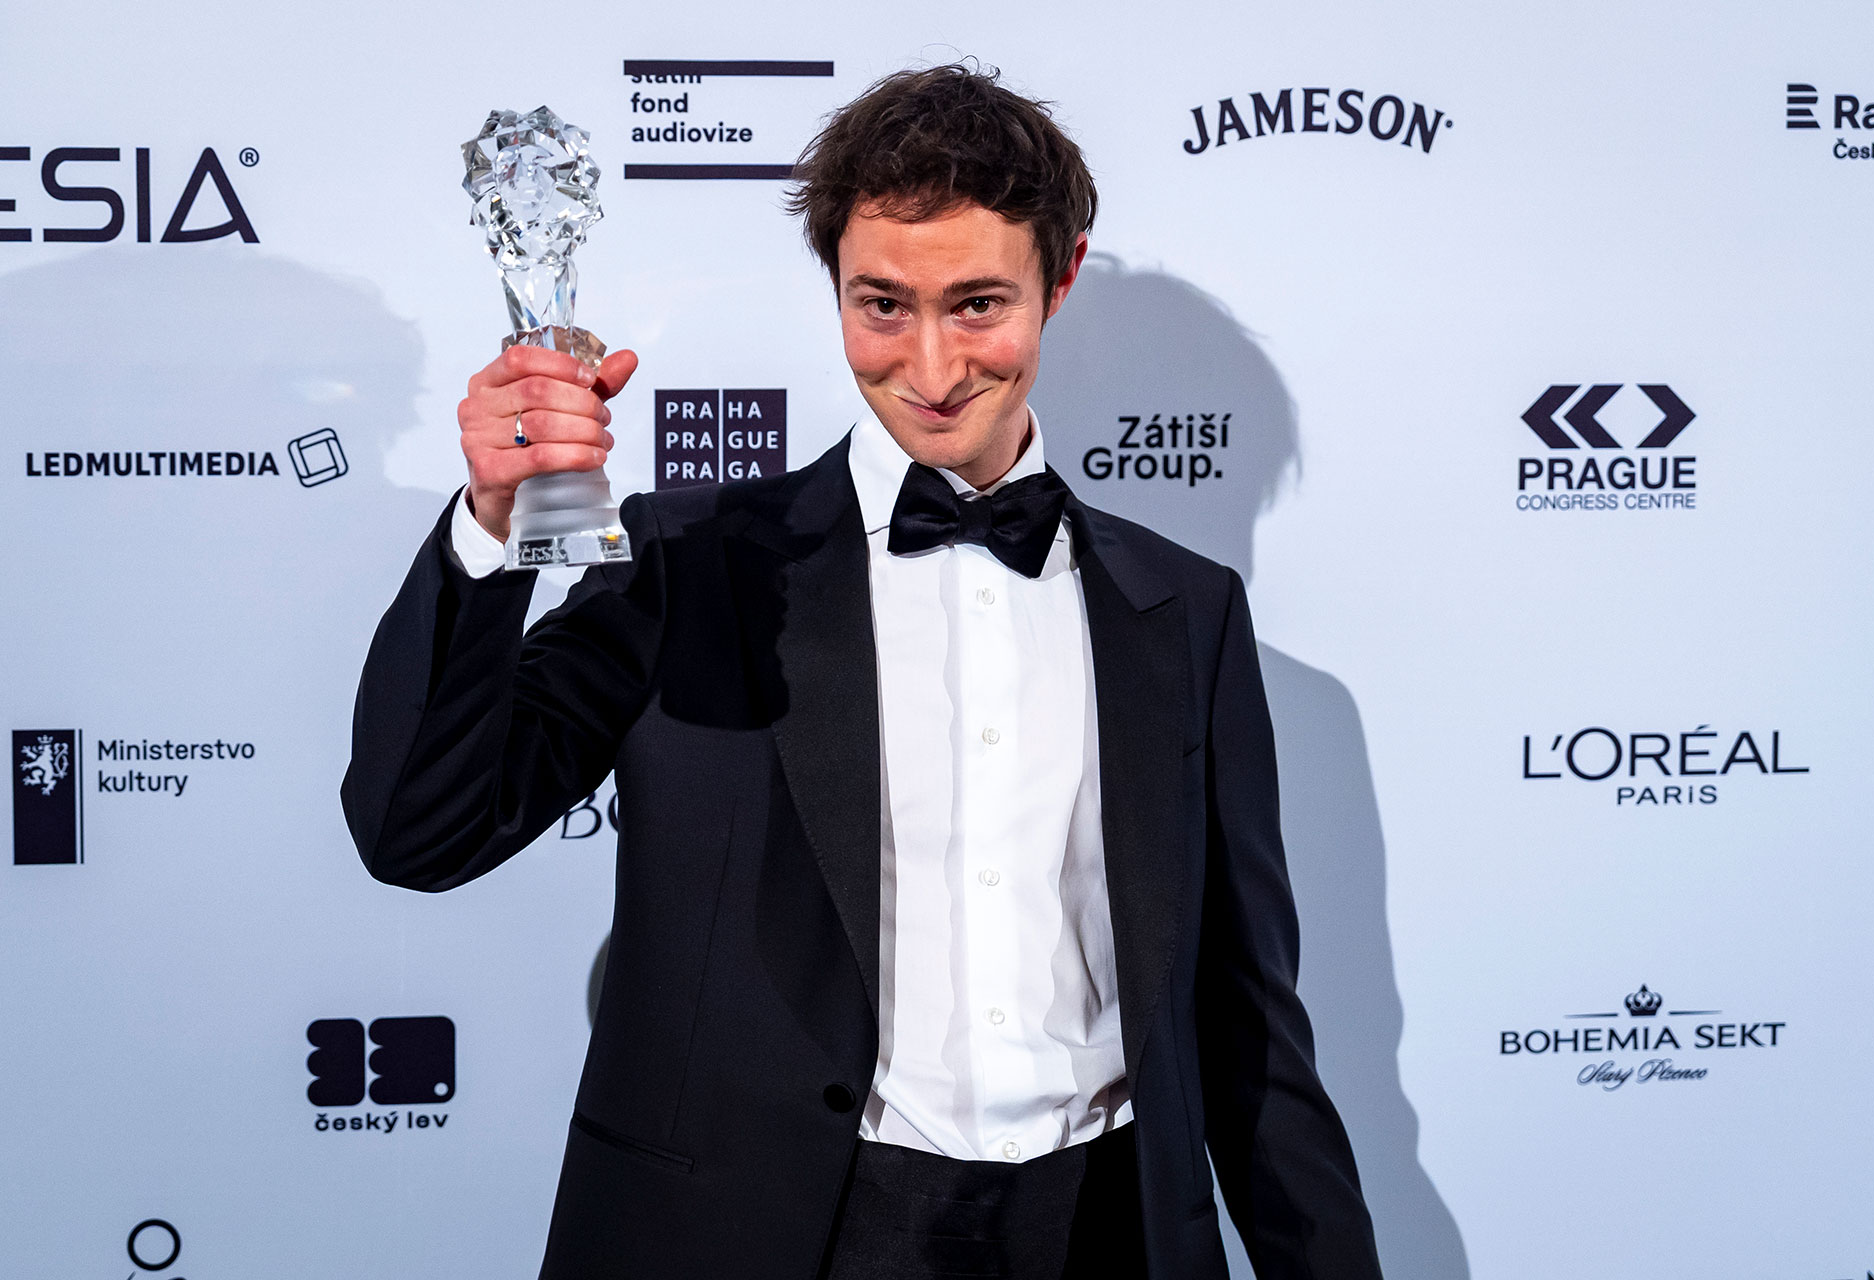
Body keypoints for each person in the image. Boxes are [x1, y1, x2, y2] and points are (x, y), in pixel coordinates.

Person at [342, 62, 1382, 1280]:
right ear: (834, 282)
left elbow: (1249, 1029)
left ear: (1061, 277)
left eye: (979, 305)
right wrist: (490, 525)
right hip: (771, 1240)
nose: (932, 370)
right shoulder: (690, 565)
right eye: (882, 305)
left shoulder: (1186, 611)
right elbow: (421, 829)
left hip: (1108, 1233)